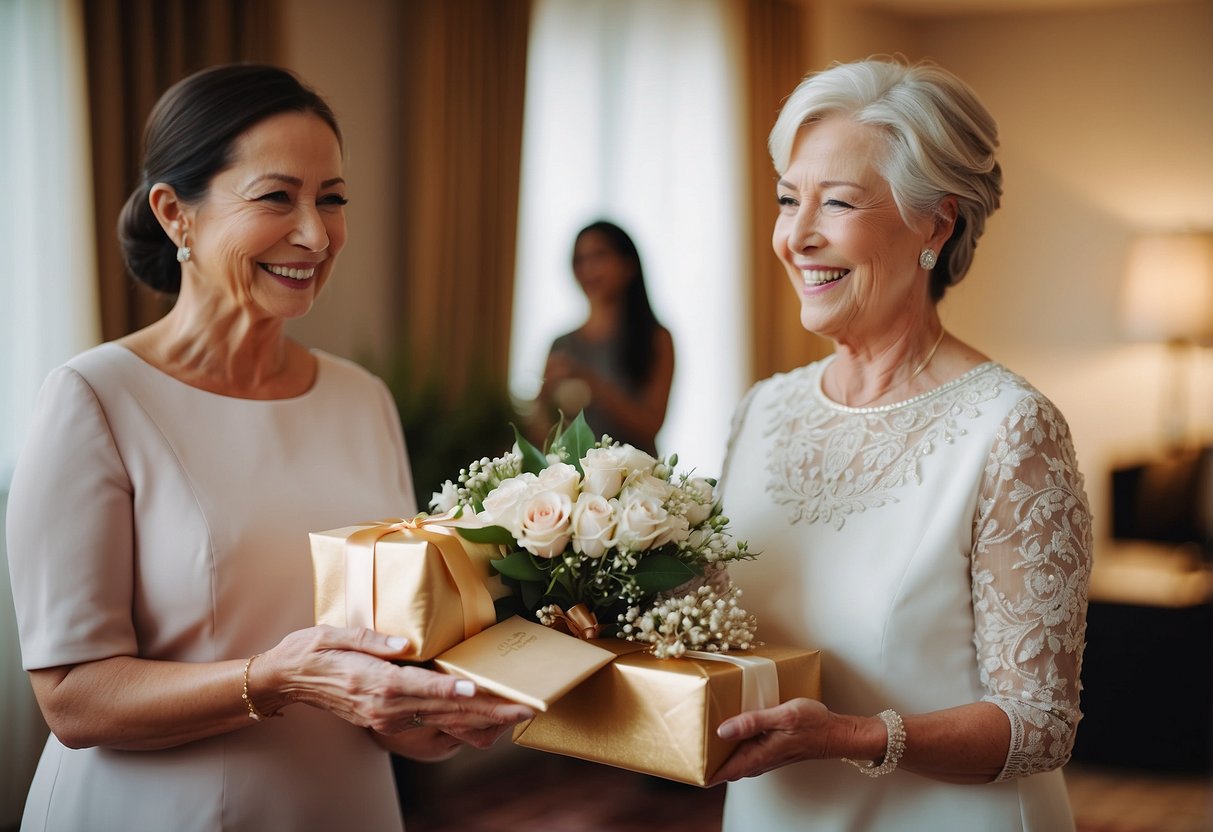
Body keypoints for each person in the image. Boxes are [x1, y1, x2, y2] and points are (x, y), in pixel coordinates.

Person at [4, 64, 533, 832]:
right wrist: (277, 679)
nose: (316, 234)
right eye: (276, 197)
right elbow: (73, 701)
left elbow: (381, 662)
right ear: (174, 213)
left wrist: (435, 717)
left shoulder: (361, 398)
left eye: (332, 199)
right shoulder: (95, 399)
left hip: (342, 807)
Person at [709, 58, 1092, 831]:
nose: (796, 236)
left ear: (936, 223)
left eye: (837, 203)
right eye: (788, 200)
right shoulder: (762, 410)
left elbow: (1040, 724)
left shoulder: (1010, 428)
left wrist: (848, 737)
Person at [531, 220, 675, 455]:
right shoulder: (561, 344)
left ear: (628, 266)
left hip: (635, 484)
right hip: (574, 484)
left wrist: (594, 385)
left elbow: (651, 426)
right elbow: (541, 435)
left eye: (598, 257)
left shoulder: (656, 338)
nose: (587, 269)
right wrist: (542, 398)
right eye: (579, 260)